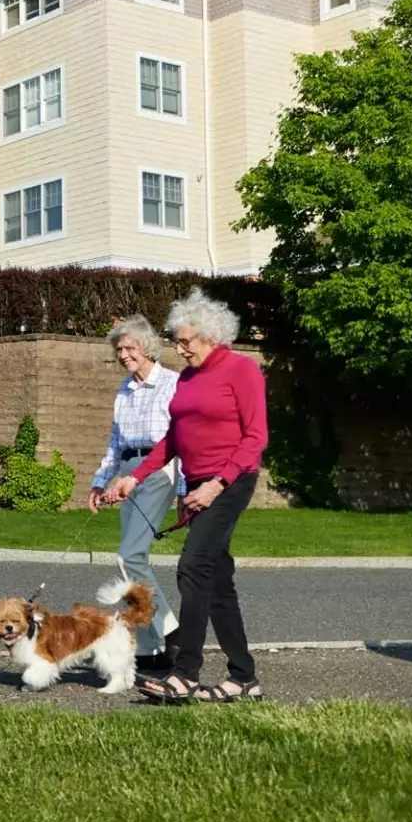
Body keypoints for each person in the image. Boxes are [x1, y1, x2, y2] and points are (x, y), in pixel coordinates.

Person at [104, 289, 268, 702]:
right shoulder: (190, 379)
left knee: (192, 568)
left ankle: (184, 674)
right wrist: (134, 477)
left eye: (185, 341)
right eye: (176, 341)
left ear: (211, 336)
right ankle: (244, 678)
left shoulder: (241, 370)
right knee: (218, 581)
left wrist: (218, 484)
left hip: (229, 481)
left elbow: (255, 438)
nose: (178, 349)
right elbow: (172, 440)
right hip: (197, 484)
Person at [87, 315, 181, 674]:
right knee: (129, 558)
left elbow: (180, 440)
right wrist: (100, 482)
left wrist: (185, 487)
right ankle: (147, 647)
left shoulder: (172, 384)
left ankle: (173, 632)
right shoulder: (123, 390)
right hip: (126, 472)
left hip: (159, 469)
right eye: (119, 349)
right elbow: (114, 443)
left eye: (130, 347)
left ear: (148, 348)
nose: (124, 354)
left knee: (130, 555)